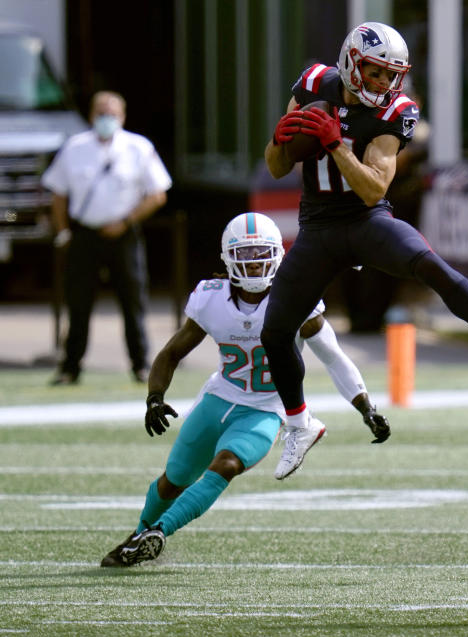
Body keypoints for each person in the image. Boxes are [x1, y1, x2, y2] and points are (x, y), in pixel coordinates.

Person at [262, 21, 468, 479]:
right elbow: (277, 165)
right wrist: (285, 136)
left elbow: (373, 189)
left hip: (364, 220)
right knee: (275, 332)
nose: (384, 83)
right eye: (376, 72)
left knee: (426, 263)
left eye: (390, 75)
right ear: (351, 63)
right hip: (317, 224)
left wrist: (334, 143)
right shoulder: (314, 83)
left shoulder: (396, 111)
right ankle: (299, 424)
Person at [100, 212, 390, 567]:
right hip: (218, 398)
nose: (255, 266)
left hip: (266, 409)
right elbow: (171, 353)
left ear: (277, 256)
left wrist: (366, 407)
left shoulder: (297, 297)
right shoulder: (211, 297)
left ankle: (160, 531)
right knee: (173, 481)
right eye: (247, 256)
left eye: (262, 255)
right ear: (229, 259)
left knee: (227, 464)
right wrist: (154, 397)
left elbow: (334, 358)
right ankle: (139, 536)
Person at [42, 90, 172, 385]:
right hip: (85, 234)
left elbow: (157, 194)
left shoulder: (138, 147)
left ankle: (141, 365)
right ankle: (70, 367)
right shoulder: (74, 147)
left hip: (124, 234)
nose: (106, 119)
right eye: (101, 113)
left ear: (123, 117)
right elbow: (58, 195)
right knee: (78, 302)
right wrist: (63, 233)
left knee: (133, 300)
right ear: (91, 115)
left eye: (112, 114)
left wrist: (126, 221)